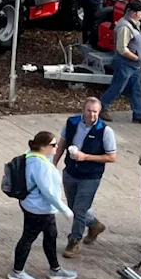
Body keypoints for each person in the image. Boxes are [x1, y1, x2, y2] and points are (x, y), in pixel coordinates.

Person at [9, 131, 79, 279]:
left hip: (32, 204)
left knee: (51, 235)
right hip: (39, 209)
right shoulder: (41, 165)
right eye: (53, 145)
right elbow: (48, 192)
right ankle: (17, 271)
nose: (56, 147)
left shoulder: (31, 156)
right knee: (28, 238)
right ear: (42, 146)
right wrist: (65, 209)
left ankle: (55, 268)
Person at [55, 96, 118, 257]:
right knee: (74, 207)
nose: (92, 115)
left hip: (91, 176)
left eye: (96, 112)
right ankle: (94, 224)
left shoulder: (105, 131)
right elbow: (62, 143)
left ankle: (74, 241)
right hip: (70, 171)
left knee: (79, 209)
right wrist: (52, 163)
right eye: (89, 111)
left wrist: (86, 157)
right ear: (83, 110)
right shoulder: (72, 122)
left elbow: (111, 157)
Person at [97, 0, 141, 123]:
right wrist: (136, 58)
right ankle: (102, 107)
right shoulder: (124, 26)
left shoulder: (134, 24)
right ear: (132, 12)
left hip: (133, 66)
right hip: (125, 64)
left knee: (136, 89)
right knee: (117, 87)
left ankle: (138, 114)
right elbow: (122, 48)